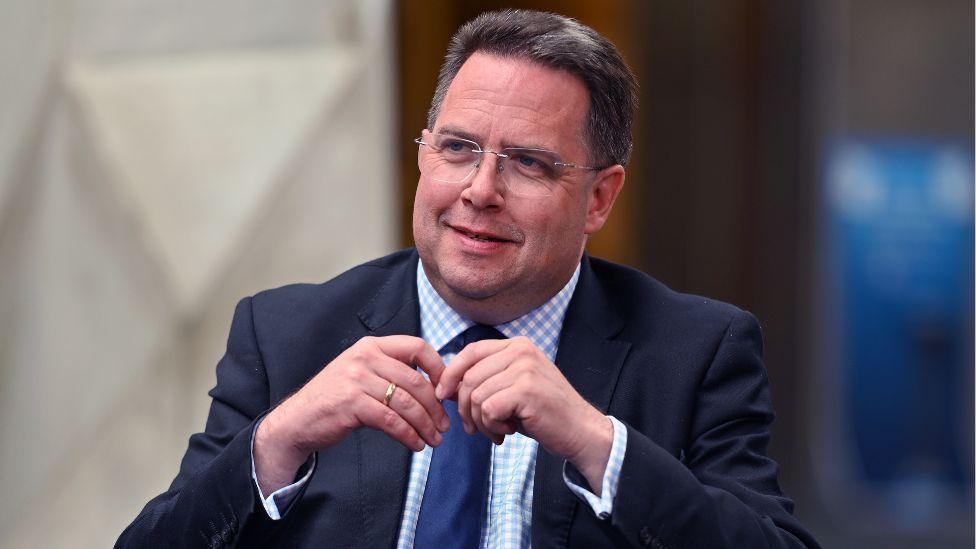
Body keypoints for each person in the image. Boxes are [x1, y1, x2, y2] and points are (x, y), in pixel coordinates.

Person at [117, 9, 819, 549]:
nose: (480, 190)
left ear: (600, 198)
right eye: (458, 148)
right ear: (424, 157)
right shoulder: (286, 335)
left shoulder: (695, 351)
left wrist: (594, 440)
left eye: (529, 163)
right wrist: (277, 442)